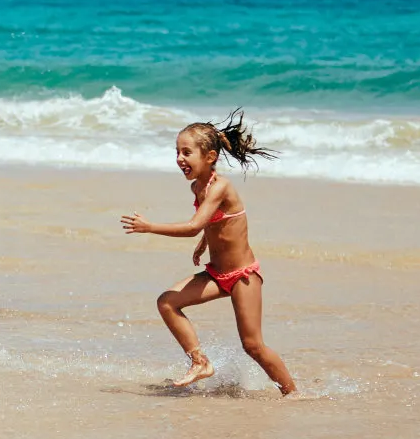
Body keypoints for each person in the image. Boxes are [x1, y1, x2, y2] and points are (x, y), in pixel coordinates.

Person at [121, 110, 298, 396]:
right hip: (217, 273)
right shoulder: (198, 186)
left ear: (210, 157)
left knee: (253, 345)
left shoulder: (220, 186)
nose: (180, 158)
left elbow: (193, 225)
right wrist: (206, 242)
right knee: (167, 302)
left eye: (186, 152)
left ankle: (293, 394)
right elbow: (217, 221)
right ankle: (200, 362)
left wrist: (149, 226)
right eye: (177, 152)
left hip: (243, 277)